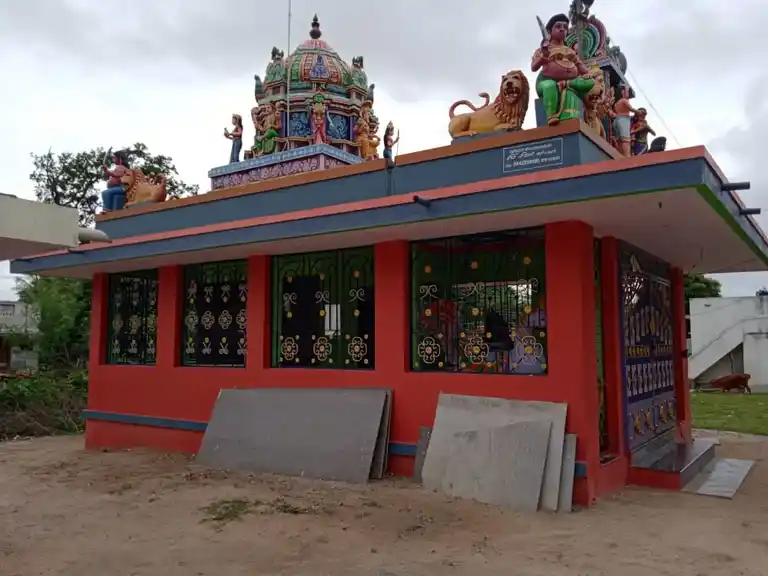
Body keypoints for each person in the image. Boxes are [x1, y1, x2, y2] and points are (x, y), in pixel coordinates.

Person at [531, 13, 594, 126]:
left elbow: (583, 69)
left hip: (570, 81)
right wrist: (544, 57)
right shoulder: (544, 49)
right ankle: (551, 115)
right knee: (550, 86)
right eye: (558, 26)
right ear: (550, 31)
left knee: (590, 81)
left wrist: (584, 69)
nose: (562, 29)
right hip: (545, 81)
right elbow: (534, 67)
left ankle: (567, 84)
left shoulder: (569, 51)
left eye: (565, 27)